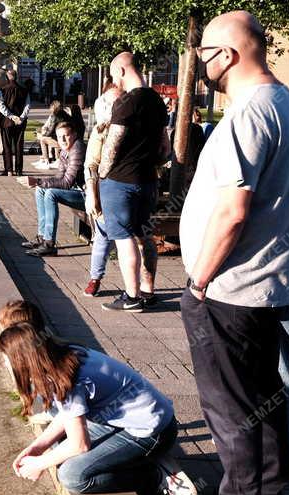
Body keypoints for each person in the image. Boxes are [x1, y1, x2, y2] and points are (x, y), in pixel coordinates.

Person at [174, 10, 289, 495]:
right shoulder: (288, 104)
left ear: (227, 55)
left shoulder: (248, 115)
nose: (200, 64)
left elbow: (233, 211)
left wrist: (198, 280)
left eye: (203, 54)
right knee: (267, 394)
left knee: (230, 406)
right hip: (271, 281)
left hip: (231, 286)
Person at [0, 323, 178, 494]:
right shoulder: (65, 357)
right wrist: (37, 447)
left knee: (72, 476)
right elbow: (68, 414)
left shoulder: (65, 381)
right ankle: (138, 460)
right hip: (127, 420)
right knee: (61, 448)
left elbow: (80, 445)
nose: (4, 363)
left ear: (23, 361)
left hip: (153, 432)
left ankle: (154, 476)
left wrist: (39, 464)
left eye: (6, 358)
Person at [98, 51, 170, 312]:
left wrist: (102, 175)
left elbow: (112, 145)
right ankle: (149, 292)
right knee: (146, 236)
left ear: (121, 71)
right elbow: (165, 147)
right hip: (148, 180)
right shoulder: (157, 102)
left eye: (112, 74)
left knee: (124, 238)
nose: (113, 79)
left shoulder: (126, 103)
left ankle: (131, 297)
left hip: (120, 181)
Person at [16, 121, 85, 257]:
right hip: (76, 191)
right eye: (60, 137)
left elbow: (66, 183)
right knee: (41, 189)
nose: (63, 140)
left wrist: (38, 180)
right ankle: (42, 236)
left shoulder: (77, 149)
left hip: (87, 195)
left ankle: (49, 244)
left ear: (74, 135)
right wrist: (39, 183)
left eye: (66, 135)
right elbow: (59, 177)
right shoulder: (65, 151)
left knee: (51, 193)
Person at [82, 79, 124, 297]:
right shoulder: (101, 131)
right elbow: (91, 163)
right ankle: (95, 277)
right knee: (102, 235)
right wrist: (91, 192)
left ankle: (141, 289)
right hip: (107, 188)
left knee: (138, 240)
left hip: (133, 187)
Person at [0, 68, 30, 176]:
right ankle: (19, 170)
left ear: (7, 76)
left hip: (7, 122)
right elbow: (27, 105)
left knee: (7, 145)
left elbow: (1, 106)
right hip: (20, 122)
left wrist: (11, 116)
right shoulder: (24, 89)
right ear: (16, 76)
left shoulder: (2, 90)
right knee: (19, 146)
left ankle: (9, 170)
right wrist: (21, 117)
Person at [33, 100, 69, 169]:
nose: (50, 108)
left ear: (53, 107)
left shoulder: (54, 116)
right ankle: (47, 159)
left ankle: (46, 161)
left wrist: (41, 135)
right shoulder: (65, 114)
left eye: (51, 107)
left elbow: (50, 131)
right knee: (46, 137)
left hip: (60, 142)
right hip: (66, 140)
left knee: (43, 140)